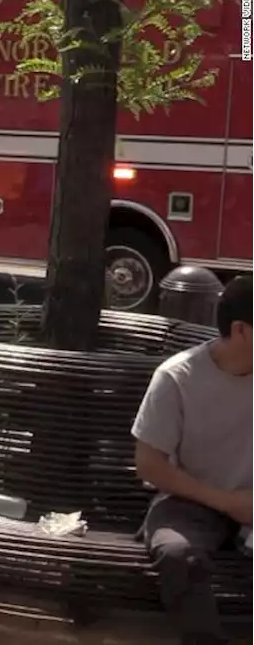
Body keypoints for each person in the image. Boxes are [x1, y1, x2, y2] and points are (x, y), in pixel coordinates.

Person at [132, 275, 254, 645]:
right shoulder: (177, 376)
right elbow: (149, 464)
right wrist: (227, 502)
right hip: (192, 500)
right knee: (177, 554)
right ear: (241, 330)